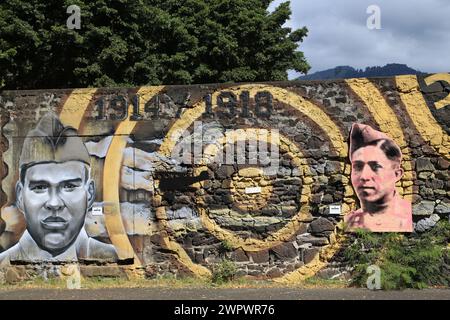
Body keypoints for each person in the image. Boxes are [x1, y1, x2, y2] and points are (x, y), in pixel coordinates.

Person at [0, 113, 118, 263]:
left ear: (89, 194)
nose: (54, 203)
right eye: (40, 187)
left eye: (69, 186)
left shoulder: (111, 257)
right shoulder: (3, 264)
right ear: (20, 196)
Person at [344, 123, 413, 232]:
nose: (364, 176)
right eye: (358, 166)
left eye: (376, 166)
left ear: (397, 174)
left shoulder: (407, 215)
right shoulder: (350, 221)